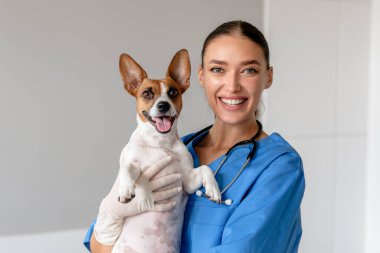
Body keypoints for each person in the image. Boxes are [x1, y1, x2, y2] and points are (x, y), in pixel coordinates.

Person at [83, 20, 305, 253]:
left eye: (248, 70)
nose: (232, 86)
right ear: (200, 76)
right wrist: (110, 214)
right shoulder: (175, 150)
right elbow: (100, 247)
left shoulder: (279, 167)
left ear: (268, 77)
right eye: (218, 69)